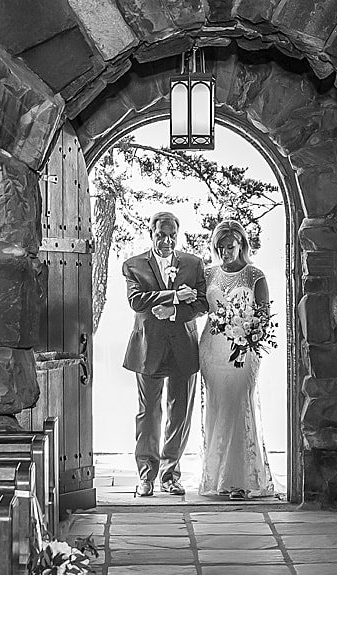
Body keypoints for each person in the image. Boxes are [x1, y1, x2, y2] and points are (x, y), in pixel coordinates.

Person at [122, 211, 209, 497]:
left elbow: (202, 304)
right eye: (161, 235)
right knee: (148, 414)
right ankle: (147, 475)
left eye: (172, 235)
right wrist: (173, 295)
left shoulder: (194, 264)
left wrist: (174, 312)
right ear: (151, 233)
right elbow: (137, 301)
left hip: (184, 348)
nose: (167, 241)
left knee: (180, 414)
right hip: (149, 350)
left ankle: (170, 475)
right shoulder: (134, 266)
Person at [198, 219, 275, 500]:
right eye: (219, 247)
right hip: (212, 349)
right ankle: (217, 478)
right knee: (218, 407)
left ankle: (242, 481)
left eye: (229, 246)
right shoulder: (207, 274)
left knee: (239, 404)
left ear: (241, 244)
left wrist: (248, 331)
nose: (224, 252)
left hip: (244, 350)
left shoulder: (255, 275)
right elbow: (196, 308)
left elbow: (264, 316)